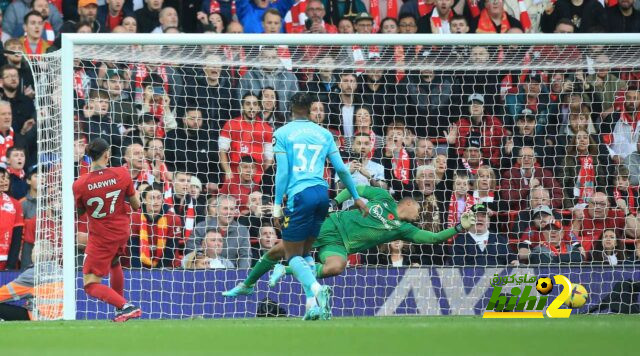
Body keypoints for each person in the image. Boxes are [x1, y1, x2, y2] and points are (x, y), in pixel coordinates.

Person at [224, 93, 366, 321]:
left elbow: (282, 173)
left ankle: (318, 290)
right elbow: (341, 169)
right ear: (311, 109)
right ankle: (313, 305)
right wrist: (357, 196)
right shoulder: (324, 134)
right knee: (306, 253)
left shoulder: (282, 133)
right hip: (322, 194)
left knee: (291, 255)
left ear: (290, 108)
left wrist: (278, 206)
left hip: (300, 196)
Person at [225, 185, 476, 305]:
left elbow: (432, 238)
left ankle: (286, 270)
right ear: (408, 203)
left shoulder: (404, 229)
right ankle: (247, 284)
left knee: (336, 266)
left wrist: (459, 227)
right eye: (419, 210)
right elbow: (354, 188)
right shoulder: (384, 197)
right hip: (330, 224)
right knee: (279, 250)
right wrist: (335, 201)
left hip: (339, 245)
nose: (419, 215)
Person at [71, 138, 142, 322]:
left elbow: (80, 212)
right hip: (121, 231)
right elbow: (136, 205)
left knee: (90, 285)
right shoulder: (122, 173)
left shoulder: (80, 184)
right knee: (114, 262)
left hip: (101, 236)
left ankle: (125, 306)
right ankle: (121, 308)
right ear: (106, 154)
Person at [0, 240, 62, 321]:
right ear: (51, 255)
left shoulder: (31, 274)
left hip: (39, 317)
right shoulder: (61, 271)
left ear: (33, 254)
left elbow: (3, 294)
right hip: (63, 316)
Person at [187, 195, 252, 269]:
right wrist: (209, 261)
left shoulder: (242, 230)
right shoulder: (201, 227)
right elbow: (191, 249)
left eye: (232, 209)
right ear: (217, 210)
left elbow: (245, 256)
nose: (229, 212)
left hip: (231, 272)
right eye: (225, 208)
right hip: (204, 269)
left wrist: (241, 274)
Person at [451, 203, 516, 266]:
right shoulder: (460, 241)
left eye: (483, 216)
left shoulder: (500, 240)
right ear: (468, 220)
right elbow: (457, 268)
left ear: (489, 221)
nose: (479, 219)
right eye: (475, 216)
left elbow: (512, 259)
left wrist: (514, 262)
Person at [0, 166, 23, 271]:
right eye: (0, 177)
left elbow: (17, 237)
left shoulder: (15, 204)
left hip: (5, 260)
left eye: (5, 178)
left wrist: (11, 264)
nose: (3, 181)